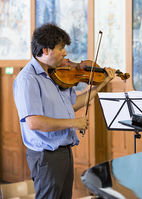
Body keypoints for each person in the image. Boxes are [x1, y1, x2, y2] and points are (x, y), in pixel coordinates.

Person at [13, 23, 116, 199]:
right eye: (61, 48)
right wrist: (74, 123)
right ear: (45, 51)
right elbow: (34, 122)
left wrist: (102, 84)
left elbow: (74, 104)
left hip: (64, 151)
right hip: (46, 156)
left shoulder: (57, 75)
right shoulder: (28, 79)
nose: (65, 53)